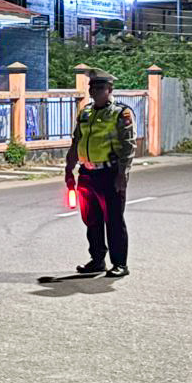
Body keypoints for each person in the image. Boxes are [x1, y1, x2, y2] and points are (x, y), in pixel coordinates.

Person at [65, 69, 136, 278]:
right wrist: (69, 170)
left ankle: (120, 263)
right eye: (91, 88)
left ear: (109, 89)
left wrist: (123, 174)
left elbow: (128, 146)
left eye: (99, 88)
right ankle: (97, 260)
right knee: (91, 219)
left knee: (113, 219)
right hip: (87, 174)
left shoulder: (121, 113)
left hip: (110, 173)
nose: (93, 92)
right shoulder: (85, 112)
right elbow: (76, 141)